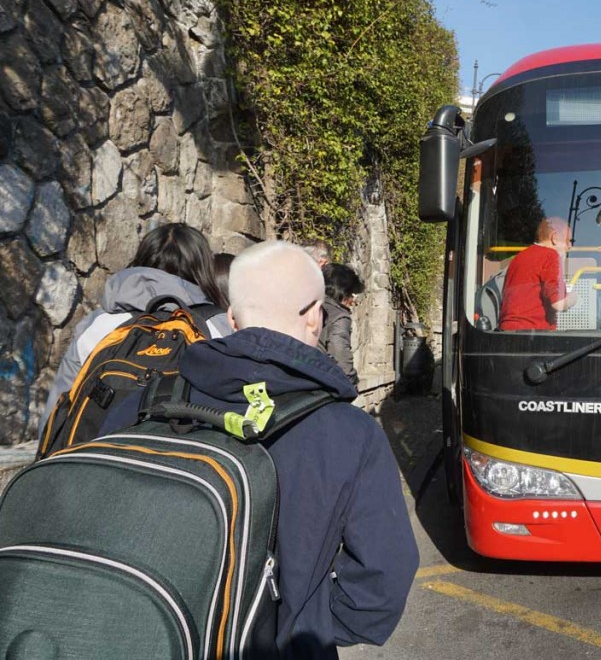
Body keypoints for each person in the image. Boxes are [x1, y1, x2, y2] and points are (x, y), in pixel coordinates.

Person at [100, 240, 417, 657]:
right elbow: (379, 588)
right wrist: (308, 624)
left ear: (232, 317)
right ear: (315, 316)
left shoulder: (146, 402)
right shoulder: (350, 432)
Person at [39, 222, 231, 433]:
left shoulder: (97, 325)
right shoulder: (220, 327)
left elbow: (57, 411)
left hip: (93, 456)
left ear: (142, 260)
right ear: (203, 268)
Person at [498, 217, 578, 331]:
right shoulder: (550, 256)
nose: (570, 246)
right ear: (554, 237)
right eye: (568, 240)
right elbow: (558, 304)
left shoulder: (519, 258)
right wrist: (573, 298)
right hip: (533, 335)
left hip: (506, 331)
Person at [320, 263, 364, 388]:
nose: (353, 299)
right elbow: (340, 353)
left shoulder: (309, 304)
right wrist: (351, 383)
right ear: (344, 291)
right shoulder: (339, 317)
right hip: (324, 385)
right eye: (352, 293)